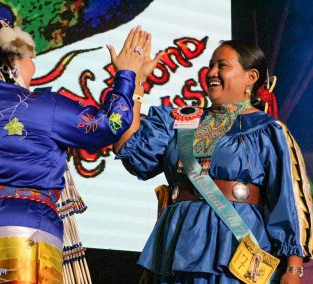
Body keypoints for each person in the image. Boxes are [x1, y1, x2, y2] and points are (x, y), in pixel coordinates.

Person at [0, 19, 159, 283]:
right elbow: (112, 123)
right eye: (31, 57)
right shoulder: (42, 107)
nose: (34, 66)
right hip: (19, 237)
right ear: (13, 60)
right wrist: (127, 75)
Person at [114, 40, 313, 283]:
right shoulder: (182, 121)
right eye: (210, 66)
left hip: (236, 251)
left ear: (250, 77)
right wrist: (134, 81)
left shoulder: (269, 131)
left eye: (222, 66)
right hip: (176, 245)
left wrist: (293, 271)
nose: (211, 73)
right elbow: (131, 150)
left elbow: (289, 201)